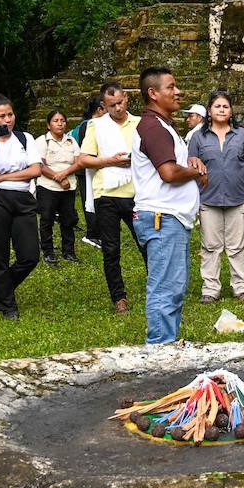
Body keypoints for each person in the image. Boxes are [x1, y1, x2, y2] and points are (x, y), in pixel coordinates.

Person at [132, 67, 208, 345]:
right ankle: (160, 349)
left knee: (173, 287)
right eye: (171, 87)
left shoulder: (164, 127)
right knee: (165, 288)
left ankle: (168, 343)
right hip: (162, 217)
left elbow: (175, 166)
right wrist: (196, 172)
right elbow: (169, 173)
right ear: (153, 93)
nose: (178, 92)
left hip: (170, 218)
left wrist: (191, 164)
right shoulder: (153, 127)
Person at [76, 82, 146, 314]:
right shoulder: (96, 126)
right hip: (106, 193)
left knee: (146, 244)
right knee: (111, 250)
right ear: (103, 106)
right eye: (112, 105)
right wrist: (110, 161)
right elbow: (84, 160)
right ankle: (119, 297)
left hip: (136, 193)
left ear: (127, 99)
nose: (117, 108)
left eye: (121, 102)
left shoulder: (138, 123)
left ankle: (158, 289)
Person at [187, 89, 244, 303]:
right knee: (210, 246)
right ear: (209, 110)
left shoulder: (241, 135)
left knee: (237, 246)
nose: (221, 109)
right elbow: (191, 165)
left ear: (231, 111)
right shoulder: (198, 136)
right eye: (217, 106)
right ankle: (210, 289)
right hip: (208, 200)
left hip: (238, 199)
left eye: (225, 106)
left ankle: (242, 288)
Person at [0, 93, 41, 321]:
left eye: (10, 114)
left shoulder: (25, 139)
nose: (7, 120)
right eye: (1, 116)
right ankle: (8, 305)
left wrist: (5, 177)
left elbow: (35, 171)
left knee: (30, 255)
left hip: (22, 199)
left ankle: (1, 289)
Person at [33, 110, 82, 265]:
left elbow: (78, 162)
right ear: (48, 125)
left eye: (62, 120)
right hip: (47, 186)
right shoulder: (42, 141)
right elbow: (40, 165)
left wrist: (65, 175)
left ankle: (68, 252)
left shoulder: (71, 141)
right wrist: (59, 178)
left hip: (69, 187)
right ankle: (48, 252)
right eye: (55, 120)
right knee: (47, 219)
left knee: (68, 220)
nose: (60, 123)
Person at [72, 95, 104, 250]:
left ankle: (99, 231)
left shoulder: (90, 124)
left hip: (93, 168)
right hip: (86, 170)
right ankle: (92, 234)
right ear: (100, 109)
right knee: (89, 199)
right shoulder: (90, 125)